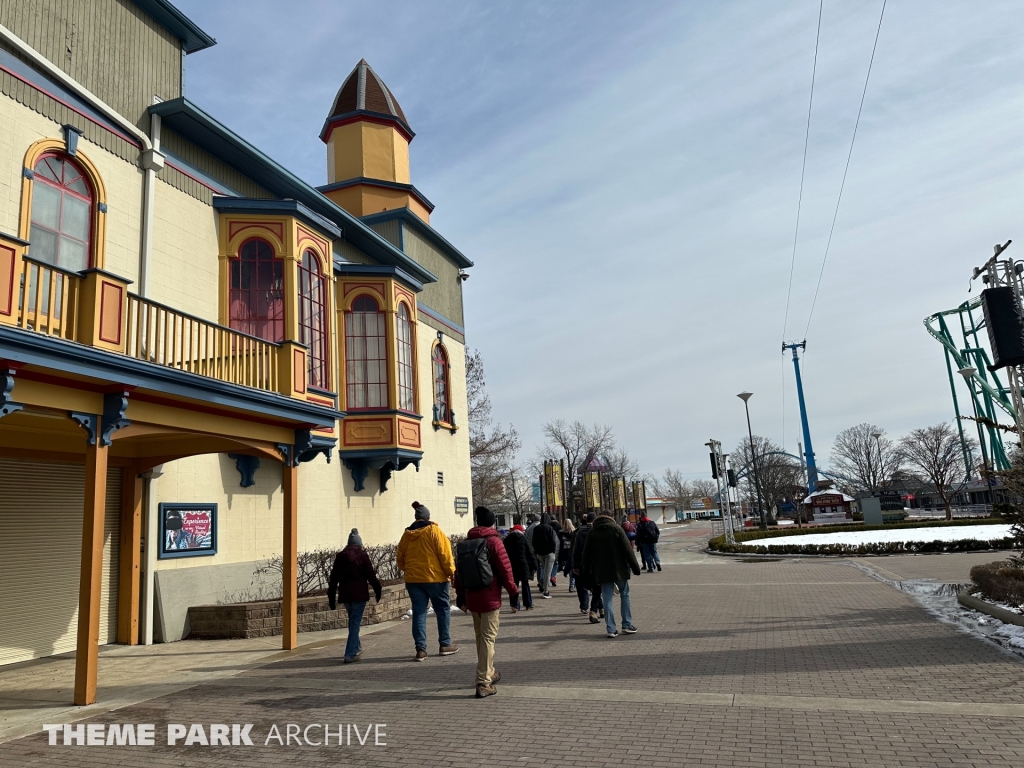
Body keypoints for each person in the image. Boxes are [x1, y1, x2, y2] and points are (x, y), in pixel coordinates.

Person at [454, 506, 519, 698]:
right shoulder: (494, 542)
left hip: (472, 597)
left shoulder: (467, 542)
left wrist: (460, 595)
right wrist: (514, 592)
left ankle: (488, 671)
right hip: (490, 597)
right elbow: (506, 571)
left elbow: (458, 573)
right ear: (492, 523)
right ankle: (483, 682)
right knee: (488, 638)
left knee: (480, 637)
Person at [396, 501, 460, 661]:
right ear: (427, 517)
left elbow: (400, 559)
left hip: (413, 580)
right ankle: (445, 644)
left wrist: (409, 571)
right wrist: (451, 572)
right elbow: (445, 555)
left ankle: (421, 649)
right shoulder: (434, 531)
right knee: (442, 610)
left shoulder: (406, 535)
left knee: (419, 612)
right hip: (436, 579)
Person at [582, 512, 641, 638]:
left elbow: (586, 555)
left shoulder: (593, 532)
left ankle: (611, 629)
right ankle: (627, 624)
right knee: (625, 595)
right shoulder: (617, 529)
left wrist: (585, 572)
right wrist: (636, 568)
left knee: (607, 599)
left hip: (602, 571)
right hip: (619, 569)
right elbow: (628, 550)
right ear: (612, 518)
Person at [328, 528, 382, 663]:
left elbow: (333, 578)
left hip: (345, 595)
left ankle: (357, 647)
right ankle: (350, 653)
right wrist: (377, 589)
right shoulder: (362, 555)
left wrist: (331, 597)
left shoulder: (340, 556)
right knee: (355, 623)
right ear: (359, 544)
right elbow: (371, 575)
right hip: (359, 595)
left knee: (353, 622)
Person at [571, 512, 603, 623]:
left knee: (592, 587)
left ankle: (601, 608)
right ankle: (594, 610)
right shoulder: (596, 531)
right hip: (595, 564)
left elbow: (575, 550)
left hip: (582, 564)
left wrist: (574, 565)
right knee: (597, 588)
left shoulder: (579, 532)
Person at [502, 523, 537, 610]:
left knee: (514, 585)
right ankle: (528, 604)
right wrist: (534, 566)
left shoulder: (506, 540)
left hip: (511, 565)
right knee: (525, 585)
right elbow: (530, 553)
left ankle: (514, 605)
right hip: (523, 565)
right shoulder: (524, 539)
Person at [531, 513, 560, 599]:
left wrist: (536, 551)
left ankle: (542, 584)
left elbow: (533, 541)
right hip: (549, 553)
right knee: (548, 572)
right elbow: (553, 541)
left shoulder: (536, 529)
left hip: (540, 553)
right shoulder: (549, 528)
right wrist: (554, 551)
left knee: (544, 570)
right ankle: (546, 591)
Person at [558, 519, 576, 591]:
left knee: (567, 568)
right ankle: (572, 584)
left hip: (563, 553)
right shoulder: (574, 532)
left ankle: (570, 581)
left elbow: (558, 544)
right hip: (571, 553)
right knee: (571, 568)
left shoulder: (560, 533)